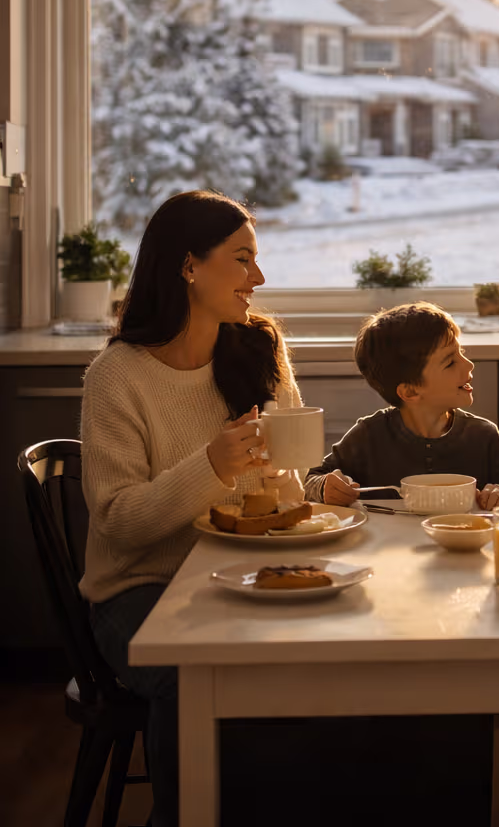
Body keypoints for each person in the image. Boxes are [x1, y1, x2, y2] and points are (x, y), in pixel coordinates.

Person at [79, 191, 303, 826]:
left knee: (316, 655)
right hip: (137, 593)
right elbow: (119, 523)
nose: (258, 279)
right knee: (195, 675)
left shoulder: (257, 350)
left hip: (238, 577)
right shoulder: (116, 377)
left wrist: (307, 489)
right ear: (188, 267)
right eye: (242, 260)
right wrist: (213, 467)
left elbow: (287, 484)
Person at [303, 302, 499, 506]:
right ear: (410, 391)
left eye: (461, 351)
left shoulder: (485, 437)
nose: (469, 365)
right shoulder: (368, 436)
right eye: (450, 362)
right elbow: (311, 481)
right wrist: (325, 487)